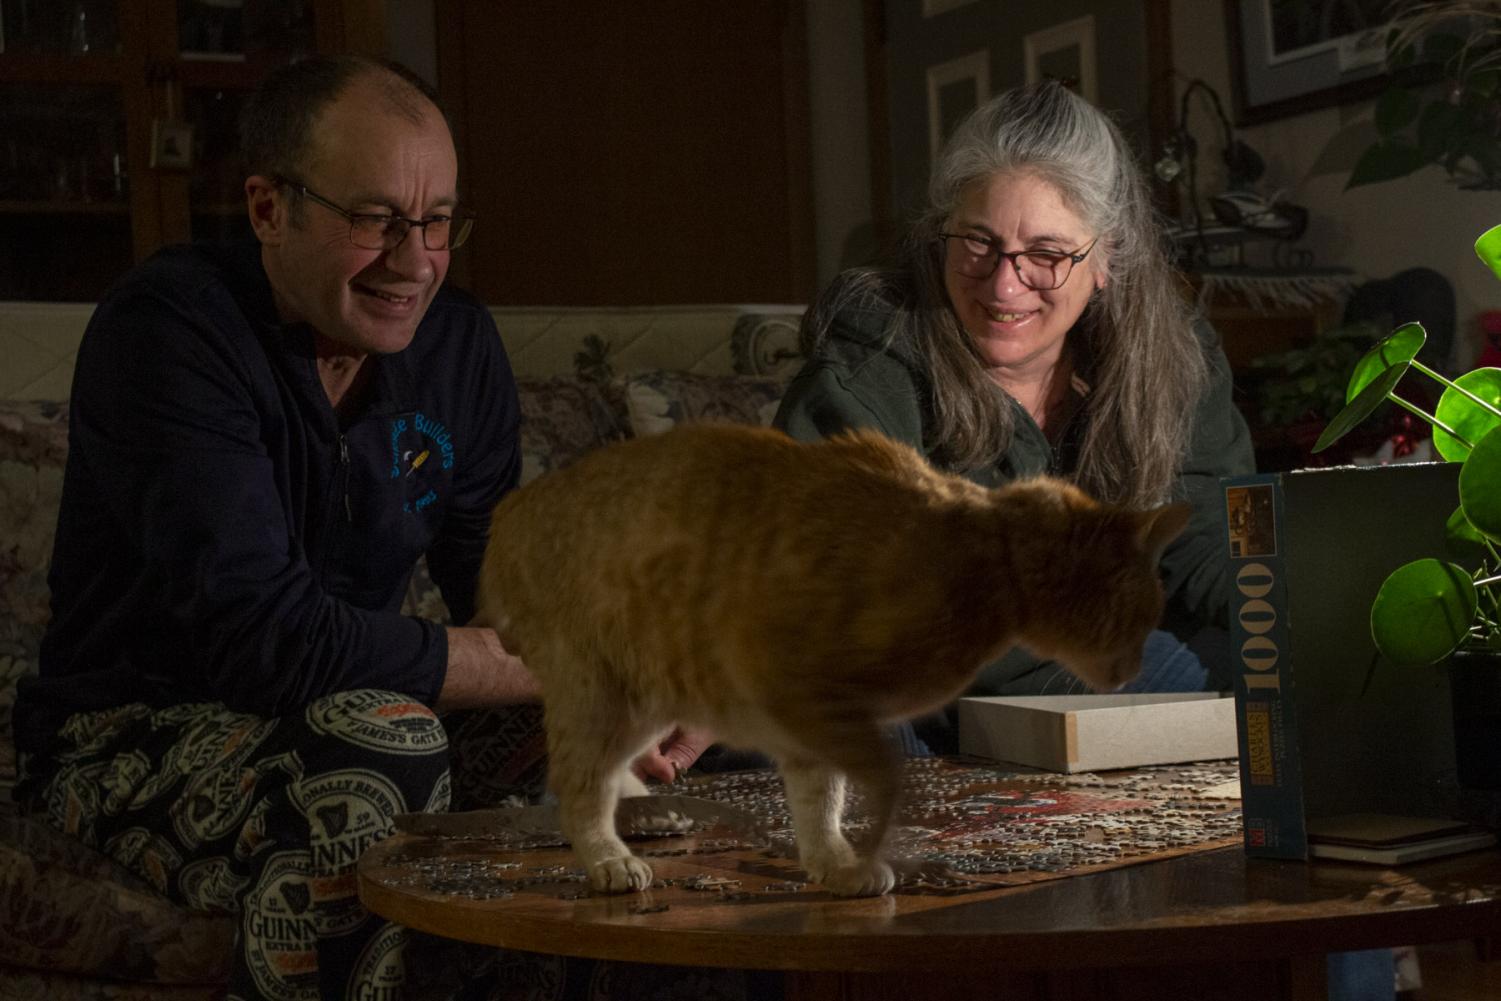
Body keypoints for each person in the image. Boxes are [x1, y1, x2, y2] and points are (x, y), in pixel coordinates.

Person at [10, 54, 707, 1000]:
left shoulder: (455, 345)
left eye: (434, 221)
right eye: (376, 218)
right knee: (385, 744)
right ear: (268, 209)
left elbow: (502, 582)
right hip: (130, 727)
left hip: (352, 711)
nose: (413, 260)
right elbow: (266, 640)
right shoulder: (169, 333)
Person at [773, 80, 1253, 754]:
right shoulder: (866, 378)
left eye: (1047, 254)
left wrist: (1286, 605)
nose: (1003, 285)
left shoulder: (1171, 355)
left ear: (1107, 257)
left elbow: (1200, 534)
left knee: (1256, 677)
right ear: (939, 235)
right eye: (977, 241)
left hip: (1080, 677)